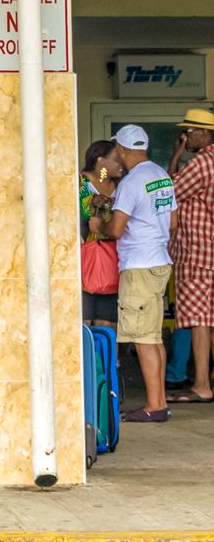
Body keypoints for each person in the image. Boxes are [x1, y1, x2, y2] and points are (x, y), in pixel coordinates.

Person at [103, 125, 177, 423]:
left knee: (144, 338)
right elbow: (172, 224)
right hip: (159, 260)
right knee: (153, 337)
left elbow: (117, 229)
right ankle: (157, 401)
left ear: (121, 150)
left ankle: (154, 405)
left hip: (138, 264)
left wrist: (100, 226)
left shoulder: (131, 182)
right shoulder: (161, 175)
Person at [168, 109, 214, 405]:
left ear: (205, 133)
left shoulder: (201, 162)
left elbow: (168, 191)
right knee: (209, 321)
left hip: (198, 252)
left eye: (190, 132)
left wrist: (176, 156)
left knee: (198, 319)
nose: (187, 136)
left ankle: (201, 385)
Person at [79, 141, 119, 327]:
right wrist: (92, 203)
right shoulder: (80, 183)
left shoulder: (119, 185)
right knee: (84, 319)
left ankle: (111, 357)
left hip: (113, 258)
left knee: (108, 320)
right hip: (86, 259)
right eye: (116, 159)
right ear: (100, 161)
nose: (122, 163)